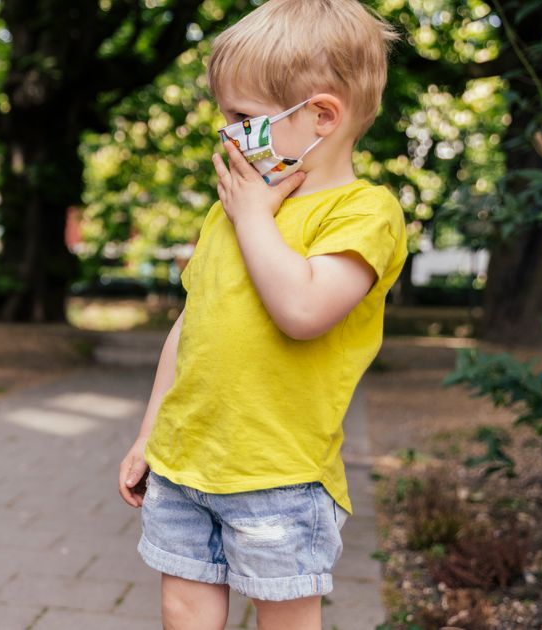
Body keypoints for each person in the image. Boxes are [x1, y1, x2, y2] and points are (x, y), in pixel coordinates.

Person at [116, 1, 405, 628]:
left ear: (322, 116)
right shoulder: (231, 210)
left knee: (284, 617)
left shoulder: (362, 213)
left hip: (278, 475)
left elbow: (302, 309)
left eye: (243, 117)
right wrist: (149, 433)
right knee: (182, 607)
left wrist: (253, 218)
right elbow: (192, 325)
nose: (228, 133)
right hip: (185, 462)